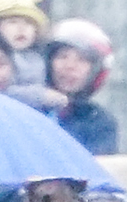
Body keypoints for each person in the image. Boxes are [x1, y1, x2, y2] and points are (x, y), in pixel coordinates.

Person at [43, 19, 117, 157]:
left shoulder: (99, 121)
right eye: (62, 56)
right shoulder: (25, 107)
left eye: (82, 60)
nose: (70, 66)